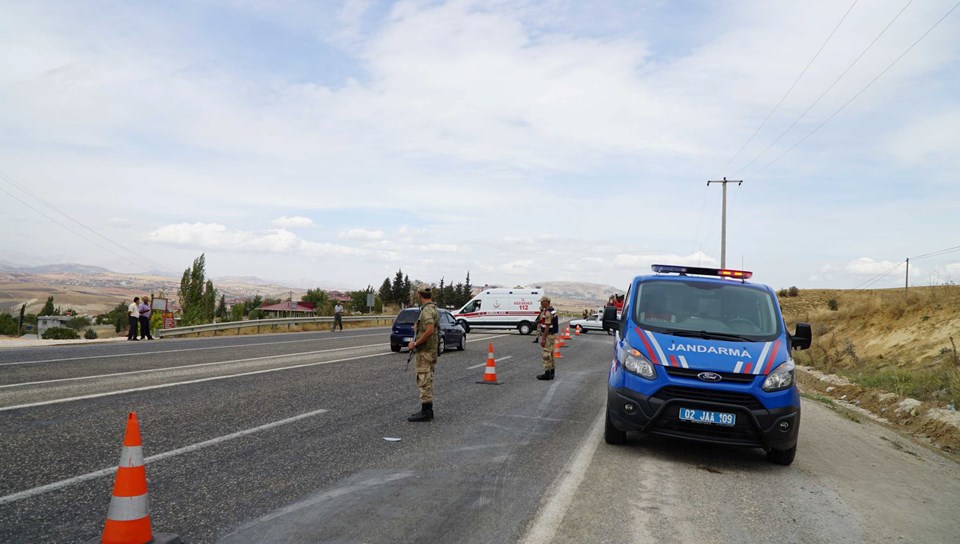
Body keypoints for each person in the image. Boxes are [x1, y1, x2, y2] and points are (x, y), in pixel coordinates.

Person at [407, 287, 439, 422]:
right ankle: (426, 409)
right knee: (427, 378)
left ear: (420, 295)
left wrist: (415, 343)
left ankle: (426, 412)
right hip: (431, 350)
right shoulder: (433, 308)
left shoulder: (426, 310)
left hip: (425, 351)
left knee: (424, 379)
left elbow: (430, 330)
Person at [537, 296, 559, 380]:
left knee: (546, 354)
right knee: (551, 354)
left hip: (548, 335)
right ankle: (552, 372)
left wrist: (543, 338)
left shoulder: (547, 312)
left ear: (546, 302)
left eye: (542, 302)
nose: (541, 304)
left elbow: (547, 326)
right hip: (552, 335)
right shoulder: (552, 310)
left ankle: (547, 373)